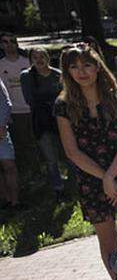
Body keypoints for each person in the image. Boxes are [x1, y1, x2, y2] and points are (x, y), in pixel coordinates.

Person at [54, 44, 117, 280]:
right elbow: (72, 151)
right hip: (91, 178)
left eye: (87, 65)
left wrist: (111, 177)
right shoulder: (63, 105)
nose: (82, 72)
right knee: (108, 242)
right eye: (74, 67)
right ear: (67, 72)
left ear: (98, 66)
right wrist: (104, 178)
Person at [20, 47, 70, 197]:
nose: (39, 60)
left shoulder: (58, 75)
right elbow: (30, 100)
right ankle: (58, 187)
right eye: (35, 57)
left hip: (61, 119)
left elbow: (66, 97)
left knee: (70, 153)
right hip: (41, 121)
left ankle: (75, 184)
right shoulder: (27, 76)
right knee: (50, 157)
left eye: (42, 56)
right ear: (31, 60)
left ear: (48, 57)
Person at [1, 32, 34, 174]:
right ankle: (28, 170)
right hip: (14, 111)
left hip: (31, 108)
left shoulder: (27, 62)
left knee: (36, 141)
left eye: (12, 41)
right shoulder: (1, 65)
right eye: (5, 42)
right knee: (21, 143)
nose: (9, 45)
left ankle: (39, 170)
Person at [0, 81, 17, 209]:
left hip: (1, 131)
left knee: (9, 166)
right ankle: (4, 199)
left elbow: (6, 103)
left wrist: (2, 125)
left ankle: (15, 201)